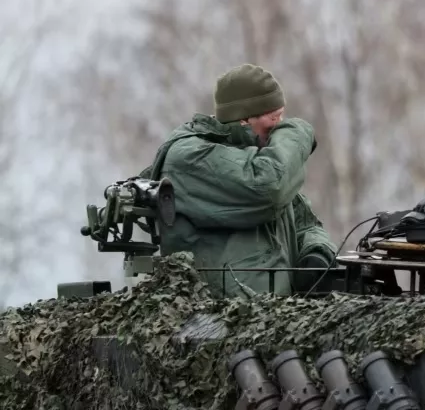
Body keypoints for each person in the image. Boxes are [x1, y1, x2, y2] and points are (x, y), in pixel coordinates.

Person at [138, 63, 337, 298]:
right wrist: (298, 131)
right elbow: (268, 187)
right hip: (218, 319)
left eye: (282, 117)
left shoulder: (257, 154)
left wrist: (316, 253)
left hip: (274, 316)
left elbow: (304, 222)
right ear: (243, 120)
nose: (280, 127)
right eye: (274, 118)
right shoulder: (189, 157)